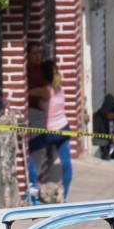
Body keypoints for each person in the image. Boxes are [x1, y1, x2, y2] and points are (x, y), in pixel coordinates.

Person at [26, 60, 73, 202]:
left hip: (51, 133)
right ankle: (64, 197)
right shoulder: (59, 87)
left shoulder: (46, 91)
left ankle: (34, 186)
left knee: (26, 150)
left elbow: (26, 92)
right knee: (66, 163)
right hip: (64, 129)